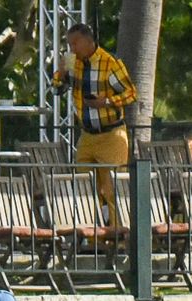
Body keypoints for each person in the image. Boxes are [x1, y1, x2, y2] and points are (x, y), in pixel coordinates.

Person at [50, 23, 136, 225]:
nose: (72, 49)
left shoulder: (110, 63)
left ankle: (119, 235)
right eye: (69, 44)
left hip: (111, 134)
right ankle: (91, 237)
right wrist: (60, 74)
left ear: (89, 42)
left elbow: (131, 94)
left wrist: (106, 101)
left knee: (112, 188)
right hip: (87, 135)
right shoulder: (74, 64)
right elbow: (56, 91)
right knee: (84, 187)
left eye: (75, 43)